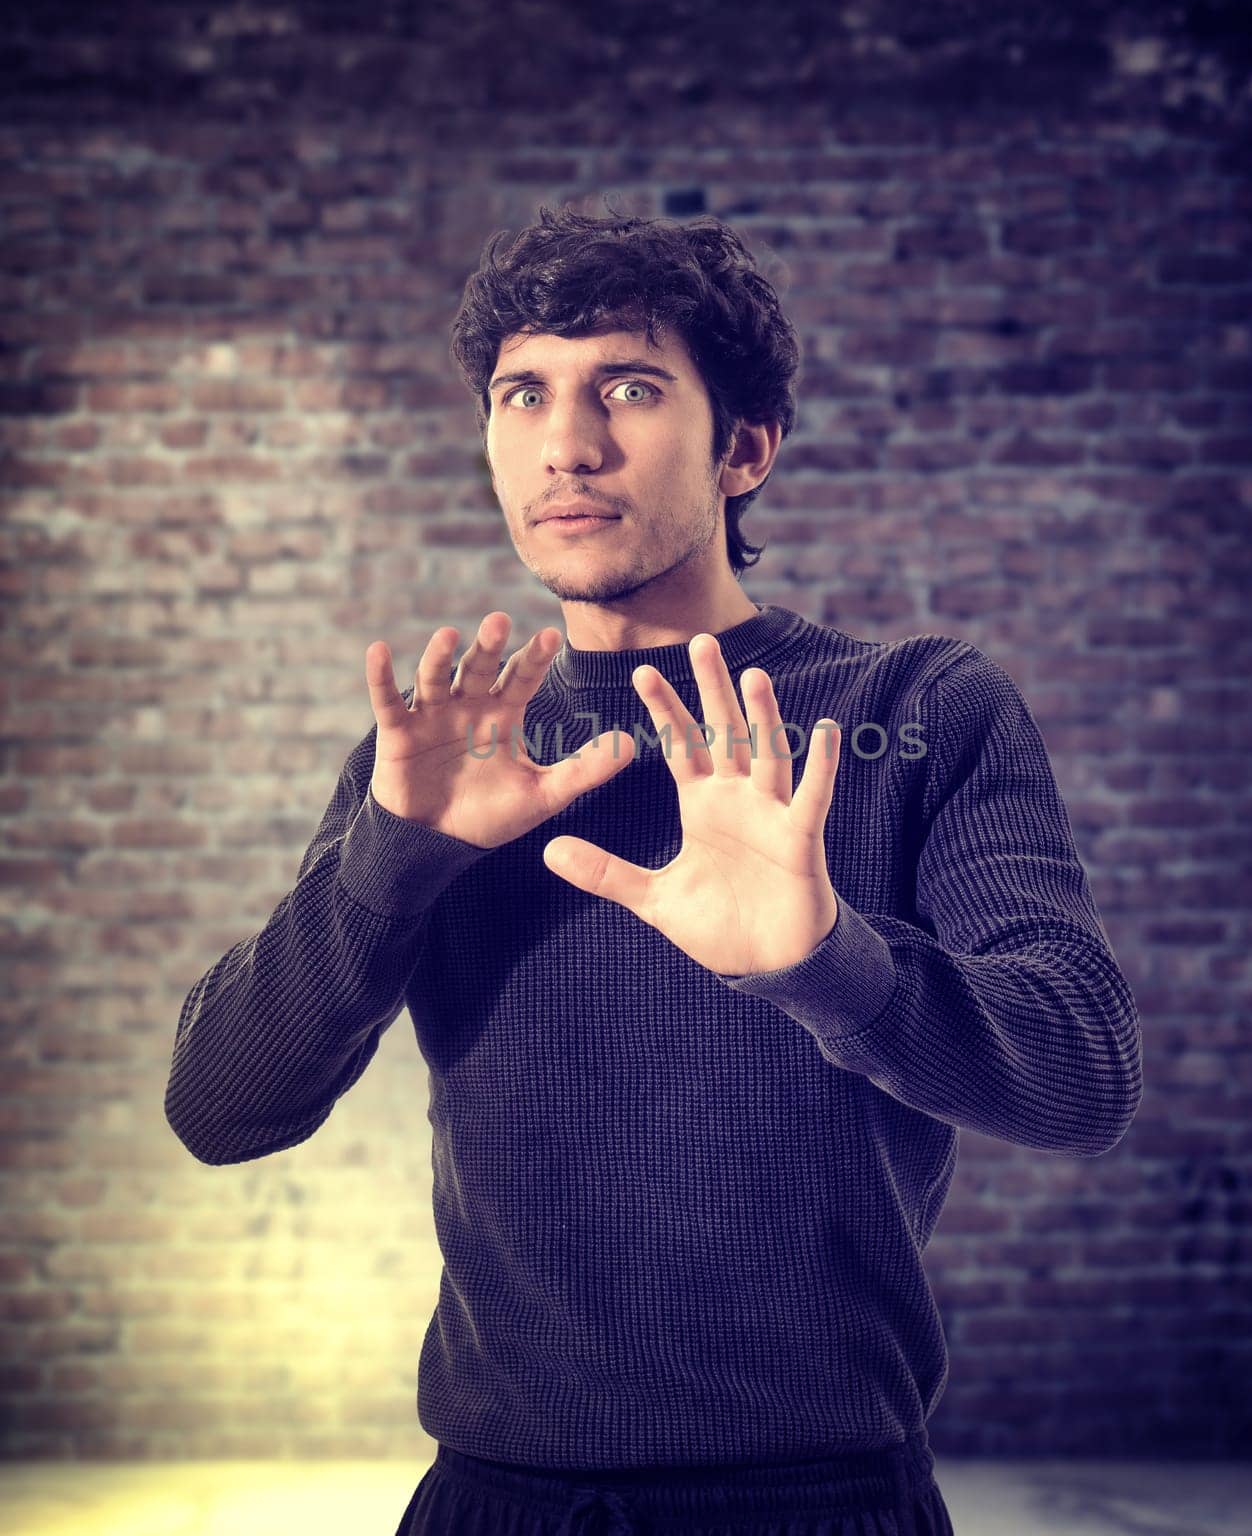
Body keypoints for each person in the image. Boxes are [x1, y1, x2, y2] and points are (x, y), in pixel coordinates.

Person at [165, 203, 1142, 1535]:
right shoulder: (444, 757)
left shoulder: (919, 709)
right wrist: (391, 862)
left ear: (743, 446)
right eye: (524, 395)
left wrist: (825, 962)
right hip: (490, 1501)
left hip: (820, 1500)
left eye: (626, 387)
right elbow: (223, 1108)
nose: (567, 445)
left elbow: (1080, 1076)